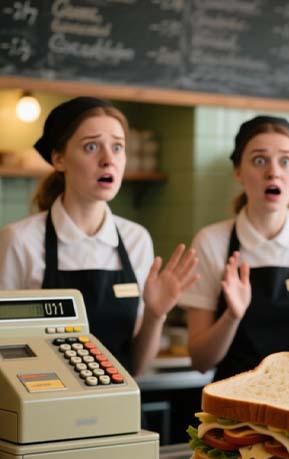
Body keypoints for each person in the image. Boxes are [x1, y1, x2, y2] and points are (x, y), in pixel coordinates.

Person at [0, 96, 198, 377]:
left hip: (120, 403)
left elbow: (137, 369)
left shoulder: (136, 239)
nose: (108, 160)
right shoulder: (20, 240)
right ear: (59, 158)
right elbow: (5, 352)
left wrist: (155, 315)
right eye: (91, 147)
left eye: (117, 147)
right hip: (43, 401)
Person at [181, 114, 289, 379]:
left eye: (285, 161)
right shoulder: (211, 242)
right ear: (238, 172)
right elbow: (200, 360)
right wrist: (231, 316)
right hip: (234, 400)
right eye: (259, 160)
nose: (273, 172)